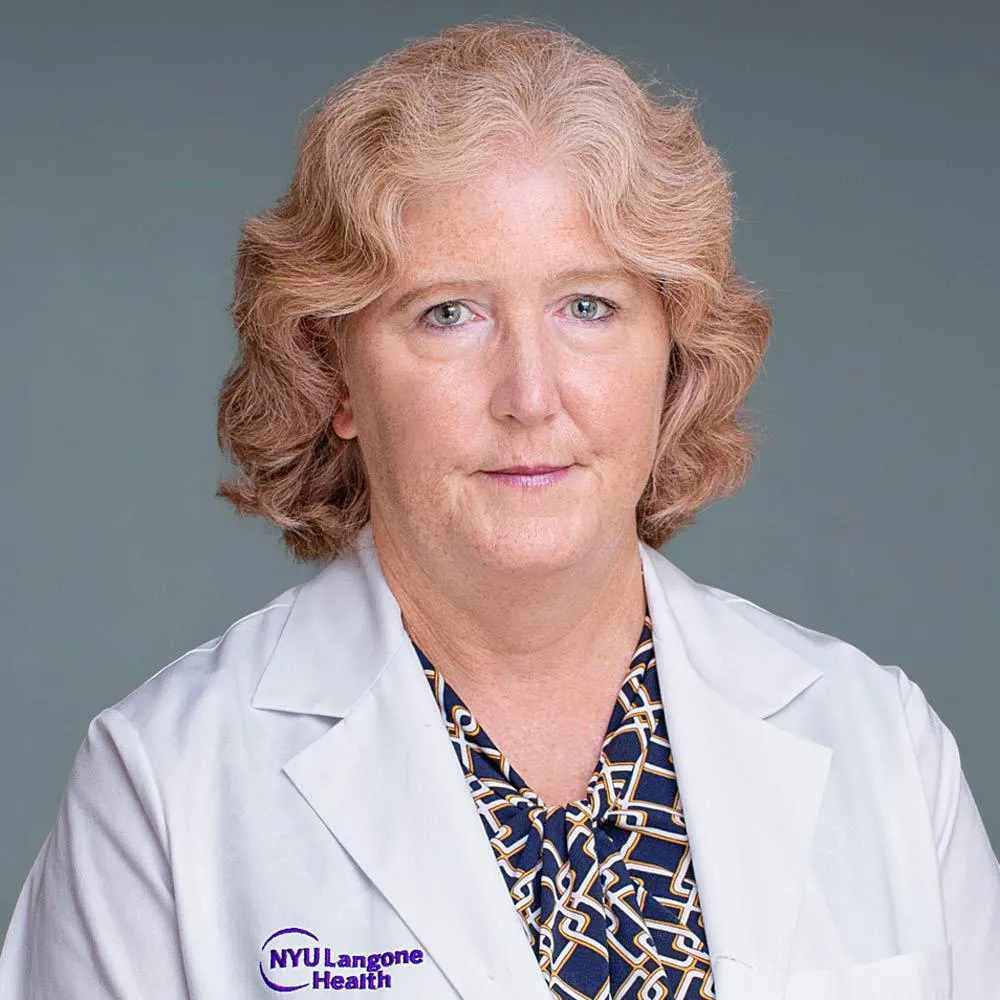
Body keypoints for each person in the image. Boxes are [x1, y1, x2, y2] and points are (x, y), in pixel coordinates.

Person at [1, 17, 997, 1000]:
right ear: (333, 371)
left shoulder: (883, 744)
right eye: (448, 314)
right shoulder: (165, 786)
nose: (530, 394)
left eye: (587, 307)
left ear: (674, 352)